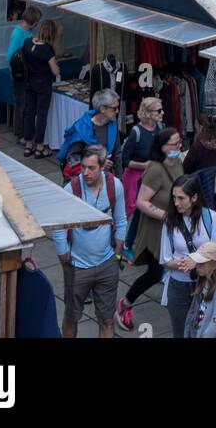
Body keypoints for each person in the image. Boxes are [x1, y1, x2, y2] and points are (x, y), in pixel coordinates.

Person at [51, 144, 126, 339]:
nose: (85, 173)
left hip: (107, 264)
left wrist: (117, 252)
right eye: (83, 167)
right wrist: (63, 254)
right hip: (77, 267)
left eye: (91, 168)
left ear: (103, 167)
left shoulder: (114, 185)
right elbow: (59, 225)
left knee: (107, 320)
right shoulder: (71, 189)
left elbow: (121, 220)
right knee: (71, 317)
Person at [116, 126, 183, 332]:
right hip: (158, 231)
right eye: (175, 144)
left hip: (175, 228)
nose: (179, 146)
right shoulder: (155, 170)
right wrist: (166, 216)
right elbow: (141, 202)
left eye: (180, 142)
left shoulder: (178, 162)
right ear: (163, 147)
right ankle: (125, 304)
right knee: (155, 273)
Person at [159, 173, 216, 338]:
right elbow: (165, 260)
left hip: (207, 285)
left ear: (194, 197)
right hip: (179, 287)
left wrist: (196, 262)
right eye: (174, 197)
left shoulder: (210, 218)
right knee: (182, 333)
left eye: (181, 198)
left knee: (209, 331)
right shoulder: (169, 220)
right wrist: (184, 264)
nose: (176, 203)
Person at [58, 88, 122, 177]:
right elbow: (72, 159)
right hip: (83, 178)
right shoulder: (82, 128)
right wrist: (99, 162)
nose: (118, 111)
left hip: (103, 177)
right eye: (114, 108)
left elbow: (117, 154)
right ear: (103, 109)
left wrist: (119, 180)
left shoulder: (113, 124)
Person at [22, 18, 61, 158]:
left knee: (29, 113)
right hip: (43, 85)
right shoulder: (47, 49)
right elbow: (55, 70)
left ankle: (28, 145)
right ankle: (39, 147)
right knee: (41, 115)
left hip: (29, 83)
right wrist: (57, 68)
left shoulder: (27, 42)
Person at [120, 97, 164, 217]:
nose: (162, 113)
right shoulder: (136, 133)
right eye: (159, 111)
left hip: (152, 177)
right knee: (133, 213)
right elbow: (124, 160)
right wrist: (143, 165)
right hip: (135, 181)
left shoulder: (159, 128)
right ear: (148, 113)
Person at [7, 5, 41, 141]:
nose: (38, 24)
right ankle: (19, 134)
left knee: (26, 103)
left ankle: (24, 132)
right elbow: (12, 55)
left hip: (26, 73)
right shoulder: (18, 33)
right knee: (21, 104)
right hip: (19, 74)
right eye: (37, 21)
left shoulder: (28, 33)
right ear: (33, 21)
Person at [184, 242, 216, 339]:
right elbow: (192, 311)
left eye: (201, 263)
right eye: (197, 263)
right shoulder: (202, 281)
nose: (197, 266)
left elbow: (215, 324)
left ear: (213, 265)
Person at [183, 115, 216, 210]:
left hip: (205, 185)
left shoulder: (200, 146)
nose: (213, 144)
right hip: (209, 186)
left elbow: (185, 168)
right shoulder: (198, 147)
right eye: (210, 141)